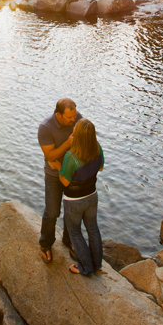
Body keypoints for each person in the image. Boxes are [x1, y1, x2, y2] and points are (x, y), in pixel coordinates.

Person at [37, 97, 82, 263]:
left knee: (73, 211)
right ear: (58, 115)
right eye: (69, 117)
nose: (73, 120)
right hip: (54, 175)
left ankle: (69, 241)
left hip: (73, 173)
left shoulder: (78, 118)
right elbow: (50, 156)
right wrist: (68, 143)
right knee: (52, 211)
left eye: (74, 116)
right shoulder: (45, 128)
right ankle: (45, 244)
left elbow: (85, 141)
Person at [58, 119, 105, 277]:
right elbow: (101, 167)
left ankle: (85, 267)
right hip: (92, 196)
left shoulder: (70, 157)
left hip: (74, 201)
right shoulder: (97, 148)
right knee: (93, 229)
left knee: (75, 233)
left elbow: (64, 181)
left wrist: (57, 167)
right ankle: (97, 264)